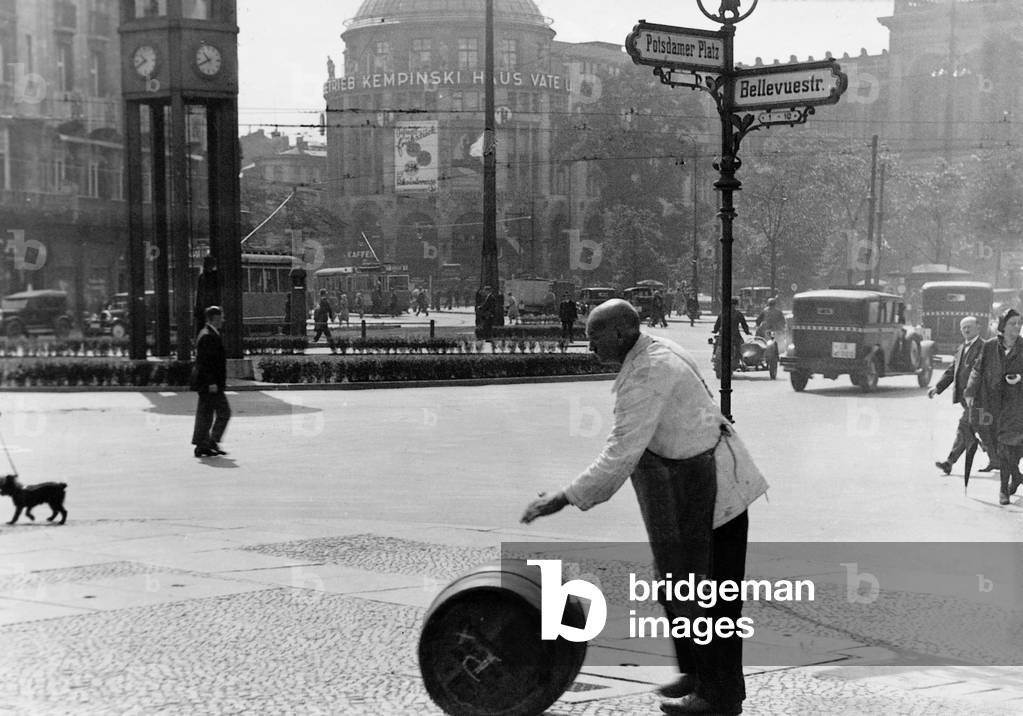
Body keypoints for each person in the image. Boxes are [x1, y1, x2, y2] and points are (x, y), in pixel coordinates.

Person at [521, 299, 766, 716]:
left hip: (716, 496)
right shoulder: (655, 350)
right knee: (677, 586)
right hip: (696, 492)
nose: (589, 345)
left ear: (619, 333)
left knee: (712, 601)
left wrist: (562, 498)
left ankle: (719, 697)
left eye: (593, 337)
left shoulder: (649, 373)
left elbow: (620, 454)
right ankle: (694, 673)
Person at [965, 309, 1023, 505]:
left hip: (1016, 406)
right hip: (992, 404)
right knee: (999, 447)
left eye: (1019, 323)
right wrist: (970, 391)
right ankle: (1016, 476)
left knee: (1008, 447)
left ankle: (1003, 490)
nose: (1017, 326)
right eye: (1013, 323)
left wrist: (1020, 378)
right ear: (1003, 326)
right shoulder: (990, 346)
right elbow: (977, 368)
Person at [930, 316, 993, 476]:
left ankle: (949, 462)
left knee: (965, 426)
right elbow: (952, 371)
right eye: (963, 327)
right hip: (966, 400)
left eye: (969, 327)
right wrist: (937, 387)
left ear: (978, 328)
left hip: (980, 398)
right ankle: (996, 458)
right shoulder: (961, 349)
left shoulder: (985, 347)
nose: (966, 330)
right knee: (977, 429)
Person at [191, 306, 231, 458]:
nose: (223, 320)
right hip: (210, 384)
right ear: (214, 318)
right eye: (221, 317)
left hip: (207, 383)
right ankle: (210, 442)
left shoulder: (208, 332)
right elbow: (205, 363)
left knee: (205, 414)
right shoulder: (208, 335)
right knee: (224, 413)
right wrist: (212, 382)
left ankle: (202, 445)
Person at [712, 297, 751, 370]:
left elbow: (717, 324)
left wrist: (714, 330)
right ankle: (741, 360)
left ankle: (714, 357)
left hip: (723, 335)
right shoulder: (738, 314)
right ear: (736, 305)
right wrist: (747, 332)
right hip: (735, 335)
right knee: (740, 347)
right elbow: (744, 325)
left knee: (717, 344)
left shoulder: (722, 312)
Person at [194, 255, 220, 337]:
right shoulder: (213, 277)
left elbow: (200, 296)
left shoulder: (202, 277)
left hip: (203, 310)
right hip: (208, 308)